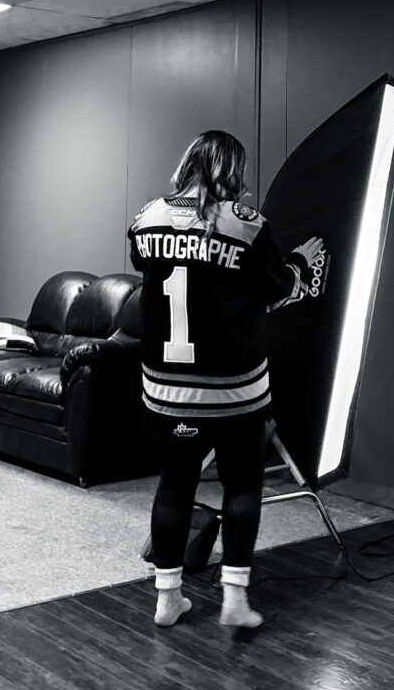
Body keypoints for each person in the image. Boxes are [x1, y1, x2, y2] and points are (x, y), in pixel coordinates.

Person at [128, 130, 323, 629]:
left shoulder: (146, 216)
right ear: (233, 168)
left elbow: (148, 267)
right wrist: (303, 262)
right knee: (242, 485)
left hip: (166, 387)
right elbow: (279, 289)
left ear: (188, 161)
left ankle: (167, 600)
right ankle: (234, 600)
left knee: (174, 484)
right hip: (235, 389)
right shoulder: (247, 225)